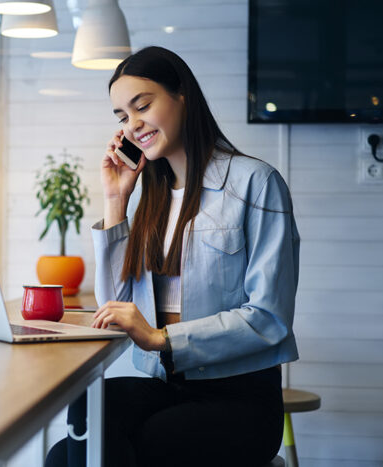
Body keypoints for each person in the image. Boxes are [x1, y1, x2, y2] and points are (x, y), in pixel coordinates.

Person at [45, 46, 300, 467]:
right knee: (81, 424)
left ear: (181, 93)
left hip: (241, 400)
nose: (134, 125)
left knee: (118, 449)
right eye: (123, 117)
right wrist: (115, 200)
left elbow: (269, 318)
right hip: (170, 386)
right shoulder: (153, 197)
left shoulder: (255, 182)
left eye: (142, 105)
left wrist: (159, 338)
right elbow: (117, 305)